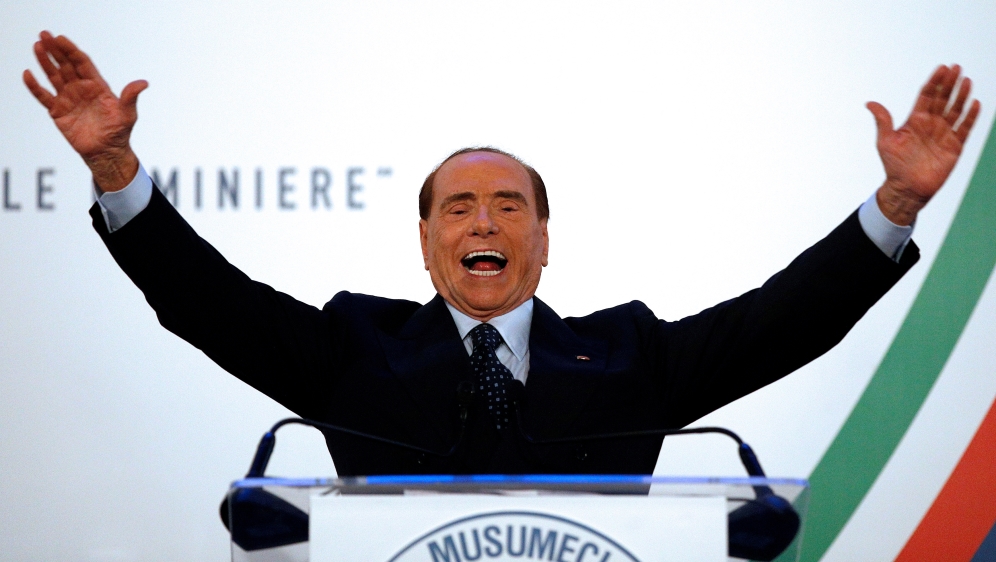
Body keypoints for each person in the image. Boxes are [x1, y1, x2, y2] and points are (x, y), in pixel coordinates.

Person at [24, 31, 981, 475]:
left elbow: (783, 323)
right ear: (427, 242)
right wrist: (114, 168)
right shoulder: (354, 348)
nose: (484, 224)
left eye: (509, 206)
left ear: (543, 239)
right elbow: (207, 301)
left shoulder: (631, 356)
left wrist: (896, 203)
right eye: (460, 208)